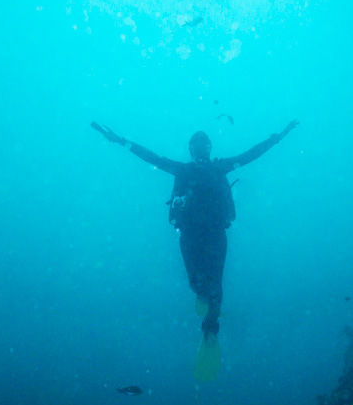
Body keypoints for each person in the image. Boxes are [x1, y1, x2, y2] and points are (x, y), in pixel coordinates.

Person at [90, 120, 298, 339]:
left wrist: (121, 141)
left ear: (203, 149)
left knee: (206, 283)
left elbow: (153, 158)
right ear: (198, 149)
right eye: (199, 146)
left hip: (200, 234)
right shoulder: (210, 168)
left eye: (202, 146)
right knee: (208, 284)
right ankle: (209, 311)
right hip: (205, 234)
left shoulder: (193, 169)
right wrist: (277, 138)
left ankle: (210, 322)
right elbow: (250, 155)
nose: (201, 150)